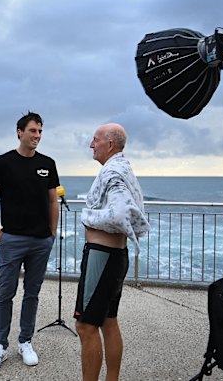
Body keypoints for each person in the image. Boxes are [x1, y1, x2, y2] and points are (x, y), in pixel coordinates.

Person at [0, 111, 60, 372]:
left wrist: (51, 235)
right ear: (19, 132)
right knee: (5, 294)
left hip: (41, 242)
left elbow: (53, 200)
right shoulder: (3, 162)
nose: (37, 136)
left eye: (40, 131)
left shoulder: (47, 163)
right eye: (32, 131)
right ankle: (0, 346)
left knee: (32, 294)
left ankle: (25, 341)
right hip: (12, 239)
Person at [74, 123, 151, 381]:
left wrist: (88, 218)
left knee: (86, 326)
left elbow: (119, 216)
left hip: (101, 256)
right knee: (108, 320)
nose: (91, 145)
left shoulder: (113, 173)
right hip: (116, 256)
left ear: (110, 144)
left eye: (95, 140)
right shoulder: (125, 170)